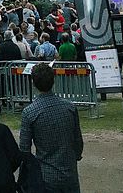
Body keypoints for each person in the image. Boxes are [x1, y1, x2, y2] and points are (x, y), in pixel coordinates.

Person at [19, 63, 83, 192]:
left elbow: (24, 149)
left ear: (33, 83)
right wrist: (76, 155)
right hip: (69, 171)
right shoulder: (69, 107)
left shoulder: (29, 112)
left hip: (46, 174)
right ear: (53, 81)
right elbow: (77, 140)